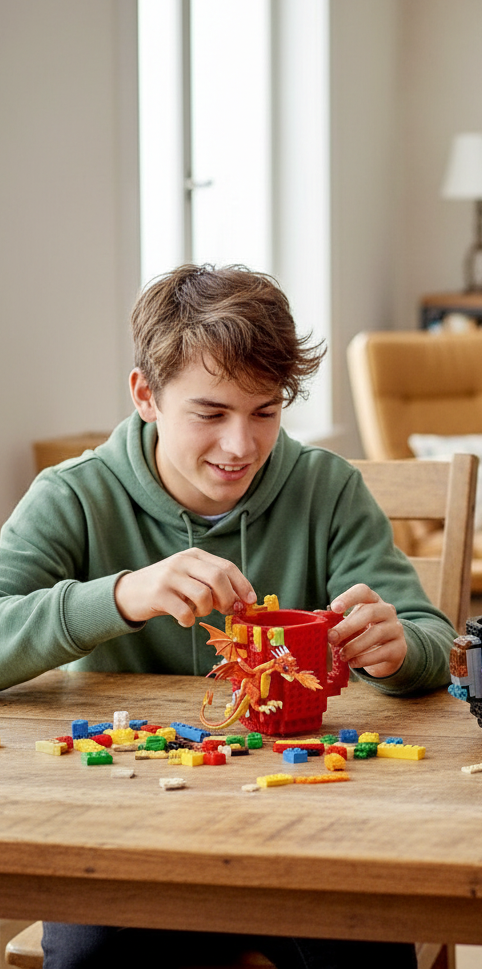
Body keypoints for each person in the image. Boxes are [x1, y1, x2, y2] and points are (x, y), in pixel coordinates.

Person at [0, 263, 455, 968]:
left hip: (315, 822)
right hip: (127, 830)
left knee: (365, 950)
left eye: (265, 412)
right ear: (145, 396)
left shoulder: (327, 490)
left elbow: (434, 640)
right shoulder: (74, 496)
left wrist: (398, 651)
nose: (241, 445)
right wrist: (119, 596)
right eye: (211, 413)